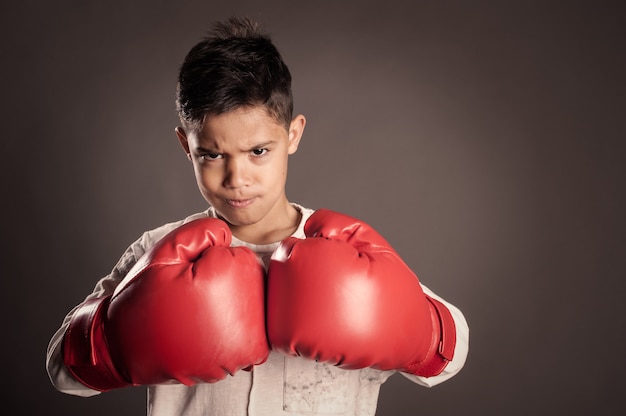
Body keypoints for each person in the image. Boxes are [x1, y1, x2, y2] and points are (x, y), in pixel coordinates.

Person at [46, 16, 469, 416]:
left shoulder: (351, 252)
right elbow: (63, 372)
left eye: (258, 151)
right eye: (212, 154)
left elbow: (452, 355)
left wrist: (416, 331)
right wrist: (120, 340)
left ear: (294, 135)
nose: (236, 178)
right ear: (185, 145)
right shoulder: (158, 250)